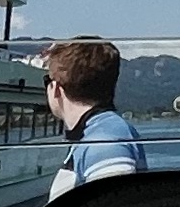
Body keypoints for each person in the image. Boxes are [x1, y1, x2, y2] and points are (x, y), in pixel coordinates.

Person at [42, 36, 146, 198]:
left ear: (55, 89)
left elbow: (112, 206)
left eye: (47, 81)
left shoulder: (104, 141)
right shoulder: (99, 132)